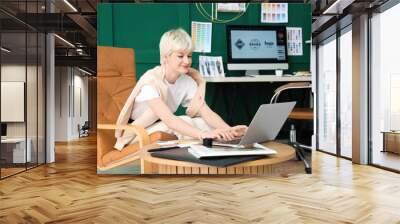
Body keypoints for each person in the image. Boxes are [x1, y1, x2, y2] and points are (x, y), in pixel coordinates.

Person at [114, 28, 247, 150]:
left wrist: (229, 130)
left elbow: (207, 113)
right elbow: (169, 120)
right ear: (166, 57)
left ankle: (230, 148)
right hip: (136, 134)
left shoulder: (186, 81)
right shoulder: (151, 82)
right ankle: (196, 165)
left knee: (202, 122)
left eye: (189, 56)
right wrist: (202, 134)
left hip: (161, 126)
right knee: (187, 122)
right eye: (180, 56)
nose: (187, 61)